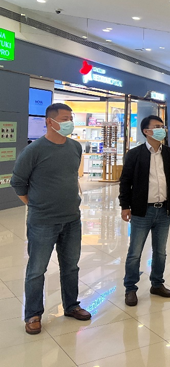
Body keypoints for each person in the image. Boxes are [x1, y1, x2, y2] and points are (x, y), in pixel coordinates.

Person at [11, 103, 91, 335]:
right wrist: (35, 205)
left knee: (71, 266)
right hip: (42, 221)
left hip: (72, 219)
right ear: (49, 121)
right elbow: (18, 182)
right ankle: (33, 314)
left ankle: (72, 305)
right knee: (37, 269)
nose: (69, 123)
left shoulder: (75, 147)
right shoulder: (34, 150)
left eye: (71, 119)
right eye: (65, 119)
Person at [119, 115, 170, 306]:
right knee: (135, 252)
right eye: (157, 126)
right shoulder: (135, 154)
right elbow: (125, 181)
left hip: (163, 210)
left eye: (163, 126)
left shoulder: (169, 154)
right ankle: (130, 288)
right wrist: (125, 205)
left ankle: (157, 283)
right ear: (146, 131)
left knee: (160, 252)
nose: (162, 129)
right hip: (141, 211)